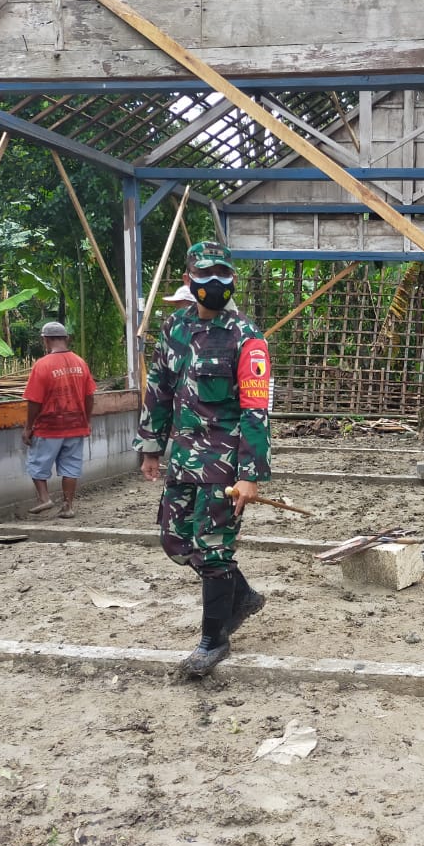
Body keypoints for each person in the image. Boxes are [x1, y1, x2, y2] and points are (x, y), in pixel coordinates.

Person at [134, 241, 272, 677]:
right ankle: (243, 595)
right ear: (188, 279)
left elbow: (256, 409)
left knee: (212, 551)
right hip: (182, 460)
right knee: (176, 543)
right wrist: (151, 446)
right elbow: (158, 388)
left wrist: (250, 474)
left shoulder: (247, 338)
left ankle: (214, 640)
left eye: (223, 277)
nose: (216, 285)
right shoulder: (174, 327)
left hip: (223, 466)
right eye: (206, 276)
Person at [22, 321, 97, 519]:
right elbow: (90, 396)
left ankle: (44, 498)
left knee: (37, 464)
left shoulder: (42, 365)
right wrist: (86, 421)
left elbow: (34, 400)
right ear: (66, 339)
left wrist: (28, 427)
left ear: (45, 340)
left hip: (49, 426)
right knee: (71, 467)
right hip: (76, 425)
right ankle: (68, 506)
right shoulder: (81, 363)